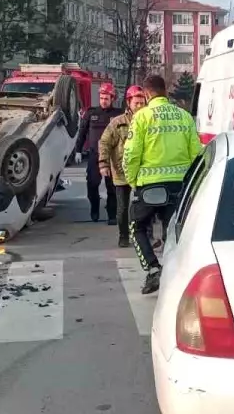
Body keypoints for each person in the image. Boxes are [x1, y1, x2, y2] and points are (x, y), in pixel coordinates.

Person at [122, 74, 202, 294]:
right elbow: (196, 153)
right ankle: (175, 272)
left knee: (137, 227)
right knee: (173, 232)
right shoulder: (184, 116)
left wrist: (132, 181)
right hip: (179, 186)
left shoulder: (141, 117)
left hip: (149, 186)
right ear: (165, 91)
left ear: (147, 94)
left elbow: (131, 154)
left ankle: (153, 269)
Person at [99, 85, 146, 248]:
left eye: (142, 103)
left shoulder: (149, 121)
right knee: (123, 207)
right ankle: (123, 236)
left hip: (143, 171)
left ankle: (145, 236)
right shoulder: (117, 123)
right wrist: (103, 164)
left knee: (145, 206)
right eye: (137, 103)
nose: (140, 107)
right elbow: (104, 142)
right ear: (129, 103)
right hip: (121, 171)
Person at [75, 82, 122, 222]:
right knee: (92, 184)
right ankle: (94, 208)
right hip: (94, 155)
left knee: (112, 187)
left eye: (106, 98)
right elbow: (82, 133)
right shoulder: (91, 113)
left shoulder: (118, 114)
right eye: (101, 98)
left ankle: (112, 214)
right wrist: (78, 150)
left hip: (113, 157)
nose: (103, 101)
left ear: (112, 99)